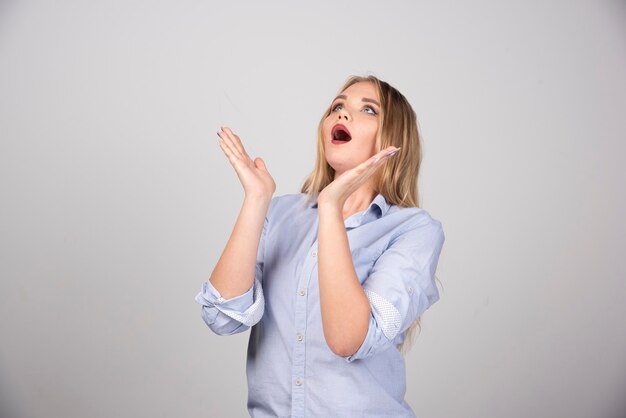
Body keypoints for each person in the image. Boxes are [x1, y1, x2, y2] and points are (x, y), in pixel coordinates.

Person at [195, 75, 445, 417]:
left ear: (393, 138)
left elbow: (348, 340)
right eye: (337, 107)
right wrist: (256, 199)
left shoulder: (412, 230)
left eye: (368, 110)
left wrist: (330, 208)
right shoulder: (281, 214)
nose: (342, 115)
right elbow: (222, 318)